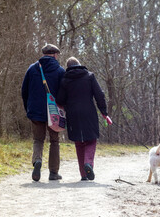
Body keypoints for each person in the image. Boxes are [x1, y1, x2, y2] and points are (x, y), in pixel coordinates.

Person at [56, 57, 112, 181]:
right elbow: (99, 95)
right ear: (79, 64)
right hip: (89, 112)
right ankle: (88, 164)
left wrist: (65, 106)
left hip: (72, 113)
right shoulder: (89, 76)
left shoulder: (65, 79)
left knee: (79, 143)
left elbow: (59, 99)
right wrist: (104, 112)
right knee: (91, 140)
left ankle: (83, 174)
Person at [22, 44, 65, 181]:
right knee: (54, 141)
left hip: (35, 110)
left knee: (38, 139)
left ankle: (37, 161)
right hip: (53, 112)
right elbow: (63, 93)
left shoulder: (32, 68)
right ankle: (53, 172)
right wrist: (62, 107)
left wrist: (28, 108)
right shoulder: (59, 71)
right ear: (54, 55)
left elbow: (24, 91)